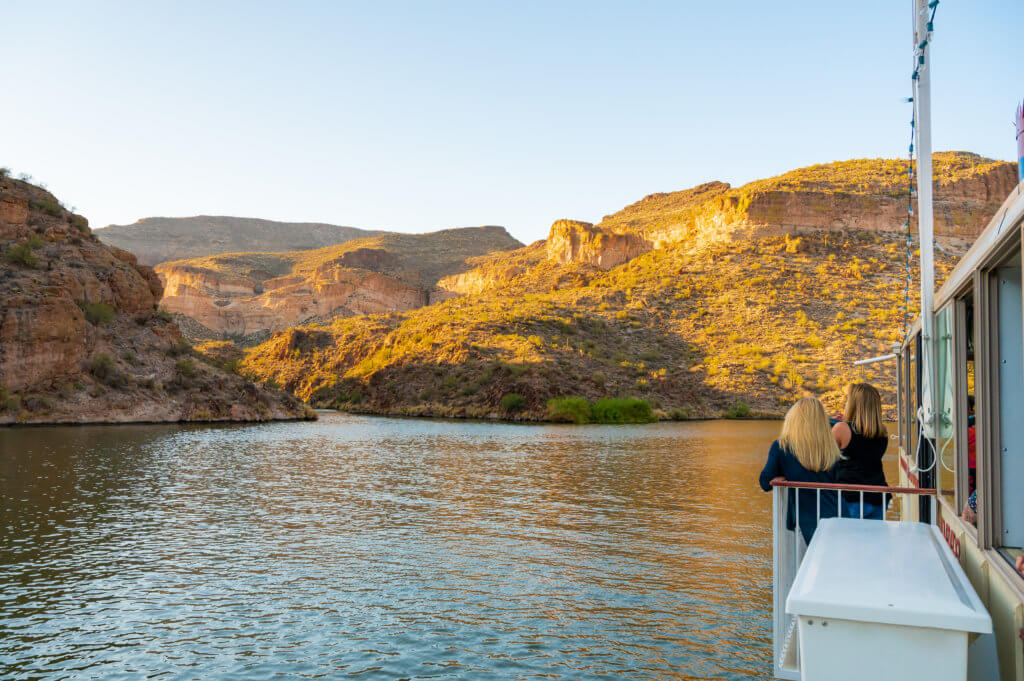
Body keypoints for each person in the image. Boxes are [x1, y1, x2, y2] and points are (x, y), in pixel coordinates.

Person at [760, 397, 842, 544]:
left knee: (808, 565)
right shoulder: (830, 447)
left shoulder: (782, 446)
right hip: (837, 515)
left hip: (806, 521)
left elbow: (765, 482)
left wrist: (783, 475)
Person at [832, 383, 889, 520]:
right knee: (871, 540)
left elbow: (822, 457)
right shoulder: (882, 432)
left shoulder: (841, 428)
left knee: (847, 540)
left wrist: (838, 425)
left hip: (849, 498)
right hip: (878, 496)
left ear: (852, 404)